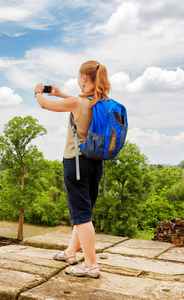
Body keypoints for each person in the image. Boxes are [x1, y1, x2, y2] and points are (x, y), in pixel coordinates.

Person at [34, 60, 111, 279]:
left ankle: (90, 265)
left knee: (81, 216)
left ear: (84, 78)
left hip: (76, 162)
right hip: (96, 163)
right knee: (84, 212)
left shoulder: (80, 103)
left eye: (79, 77)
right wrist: (60, 93)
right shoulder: (102, 102)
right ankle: (70, 252)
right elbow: (78, 101)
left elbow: (44, 105)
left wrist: (38, 91)